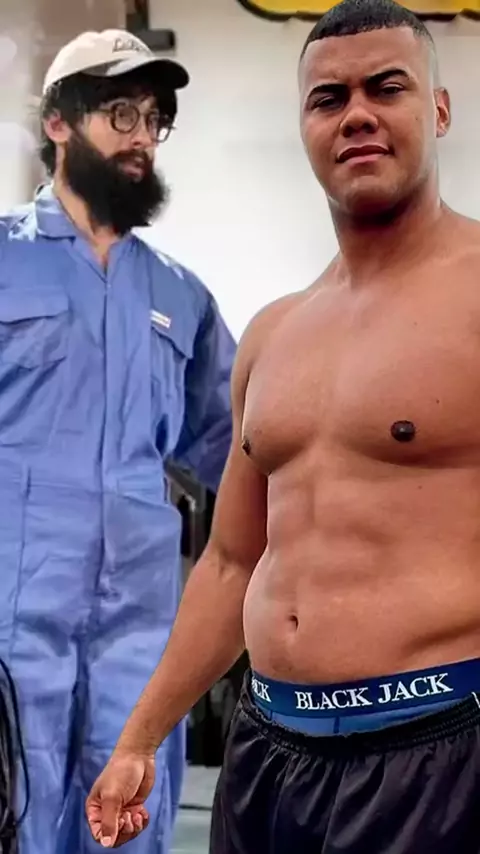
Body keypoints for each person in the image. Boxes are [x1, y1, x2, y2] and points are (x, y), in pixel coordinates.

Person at [87, 1, 480, 850]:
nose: (357, 114)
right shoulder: (273, 333)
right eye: (329, 98)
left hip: (438, 749)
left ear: (441, 110)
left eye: (387, 88)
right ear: (306, 127)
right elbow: (233, 561)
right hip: (268, 755)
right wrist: (141, 736)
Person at [0, 27, 235, 854]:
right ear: (58, 122)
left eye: (155, 119)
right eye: (120, 113)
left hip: (139, 635)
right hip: (10, 626)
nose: (142, 137)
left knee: (126, 826)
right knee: (12, 810)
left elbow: (241, 449)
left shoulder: (180, 296)